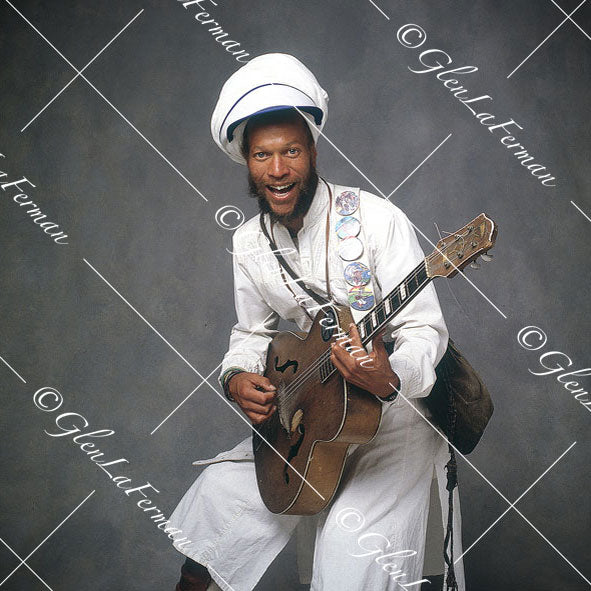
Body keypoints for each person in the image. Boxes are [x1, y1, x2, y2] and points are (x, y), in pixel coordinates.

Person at [170, 53, 465, 591]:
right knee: (217, 504)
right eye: (263, 155)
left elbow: (425, 331)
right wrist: (237, 378)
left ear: (312, 151)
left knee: (350, 553)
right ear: (247, 161)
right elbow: (252, 334)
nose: (278, 170)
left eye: (291, 152)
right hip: (305, 411)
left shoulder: (376, 219)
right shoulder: (247, 242)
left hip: (393, 416)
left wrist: (390, 375)